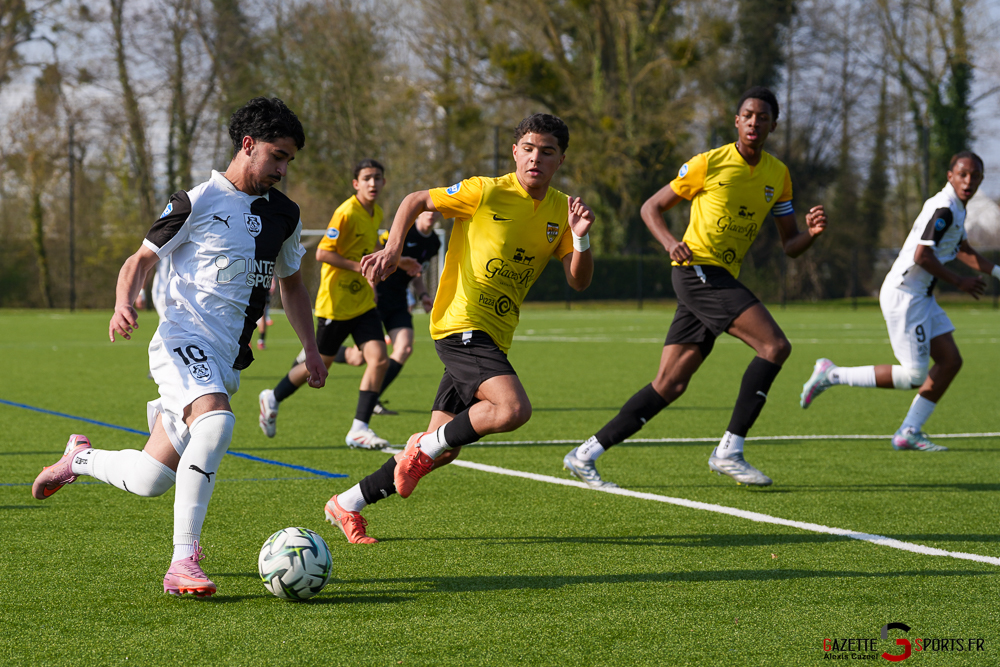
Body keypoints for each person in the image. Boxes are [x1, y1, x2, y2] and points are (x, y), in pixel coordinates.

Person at [31, 97, 327, 596]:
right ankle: (182, 561)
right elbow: (139, 261)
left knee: (150, 478)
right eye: (277, 156)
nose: (282, 169)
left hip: (226, 359)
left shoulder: (286, 215)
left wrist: (311, 349)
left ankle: (77, 459)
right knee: (216, 422)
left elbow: (292, 285)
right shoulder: (197, 200)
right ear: (248, 145)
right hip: (182, 340)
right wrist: (123, 302)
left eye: (289, 161)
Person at [323, 113, 595, 543]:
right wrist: (392, 249)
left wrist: (580, 237)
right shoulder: (485, 190)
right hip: (460, 322)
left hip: (496, 334)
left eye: (547, 152)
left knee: (442, 448)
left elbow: (578, 281)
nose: (535, 159)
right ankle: (421, 450)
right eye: (528, 149)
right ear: (515, 152)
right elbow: (415, 200)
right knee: (512, 409)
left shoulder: (563, 210)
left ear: (560, 160)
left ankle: (348, 502)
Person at [563, 86, 827, 489]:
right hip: (698, 270)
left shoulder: (779, 175)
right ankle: (730, 451)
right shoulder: (709, 162)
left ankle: (585, 455)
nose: (754, 122)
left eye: (763, 117)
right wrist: (671, 243)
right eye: (748, 115)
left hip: (719, 277)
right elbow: (650, 207)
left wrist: (810, 234)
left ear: (774, 125)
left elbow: (790, 245)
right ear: (736, 121)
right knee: (774, 346)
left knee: (670, 383)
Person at [800, 152, 996, 451]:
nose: (969, 181)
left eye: (975, 176)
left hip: (921, 297)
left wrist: (997, 271)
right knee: (914, 375)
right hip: (906, 295)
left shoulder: (956, 208)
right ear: (950, 176)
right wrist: (959, 282)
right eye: (963, 174)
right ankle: (831, 374)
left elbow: (963, 249)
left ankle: (909, 432)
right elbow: (922, 255)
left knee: (950, 361)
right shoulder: (944, 208)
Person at [259, 159, 392, 449]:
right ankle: (273, 397)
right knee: (319, 365)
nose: (372, 183)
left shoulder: (377, 212)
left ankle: (359, 428)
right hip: (335, 304)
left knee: (379, 359)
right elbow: (322, 253)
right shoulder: (346, 213)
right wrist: (358, 267)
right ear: (356, 183)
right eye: (367, 178)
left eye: (377, 178)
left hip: (362, 302)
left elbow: (368, 250)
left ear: (384, 182)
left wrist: (376, 274)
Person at [333, 211, 441, 415]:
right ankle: (320, 352)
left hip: (399, 300)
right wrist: (371, 286)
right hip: (378, 295)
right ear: (419, 211)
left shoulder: (434, 243)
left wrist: (424, 294)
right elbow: (375, 254)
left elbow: (415, 273)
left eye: (436, 210)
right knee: (358, 358)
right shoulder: (402, 231)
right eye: (428, 208)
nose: (431, 214)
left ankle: (373, 400)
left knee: (404, 348)